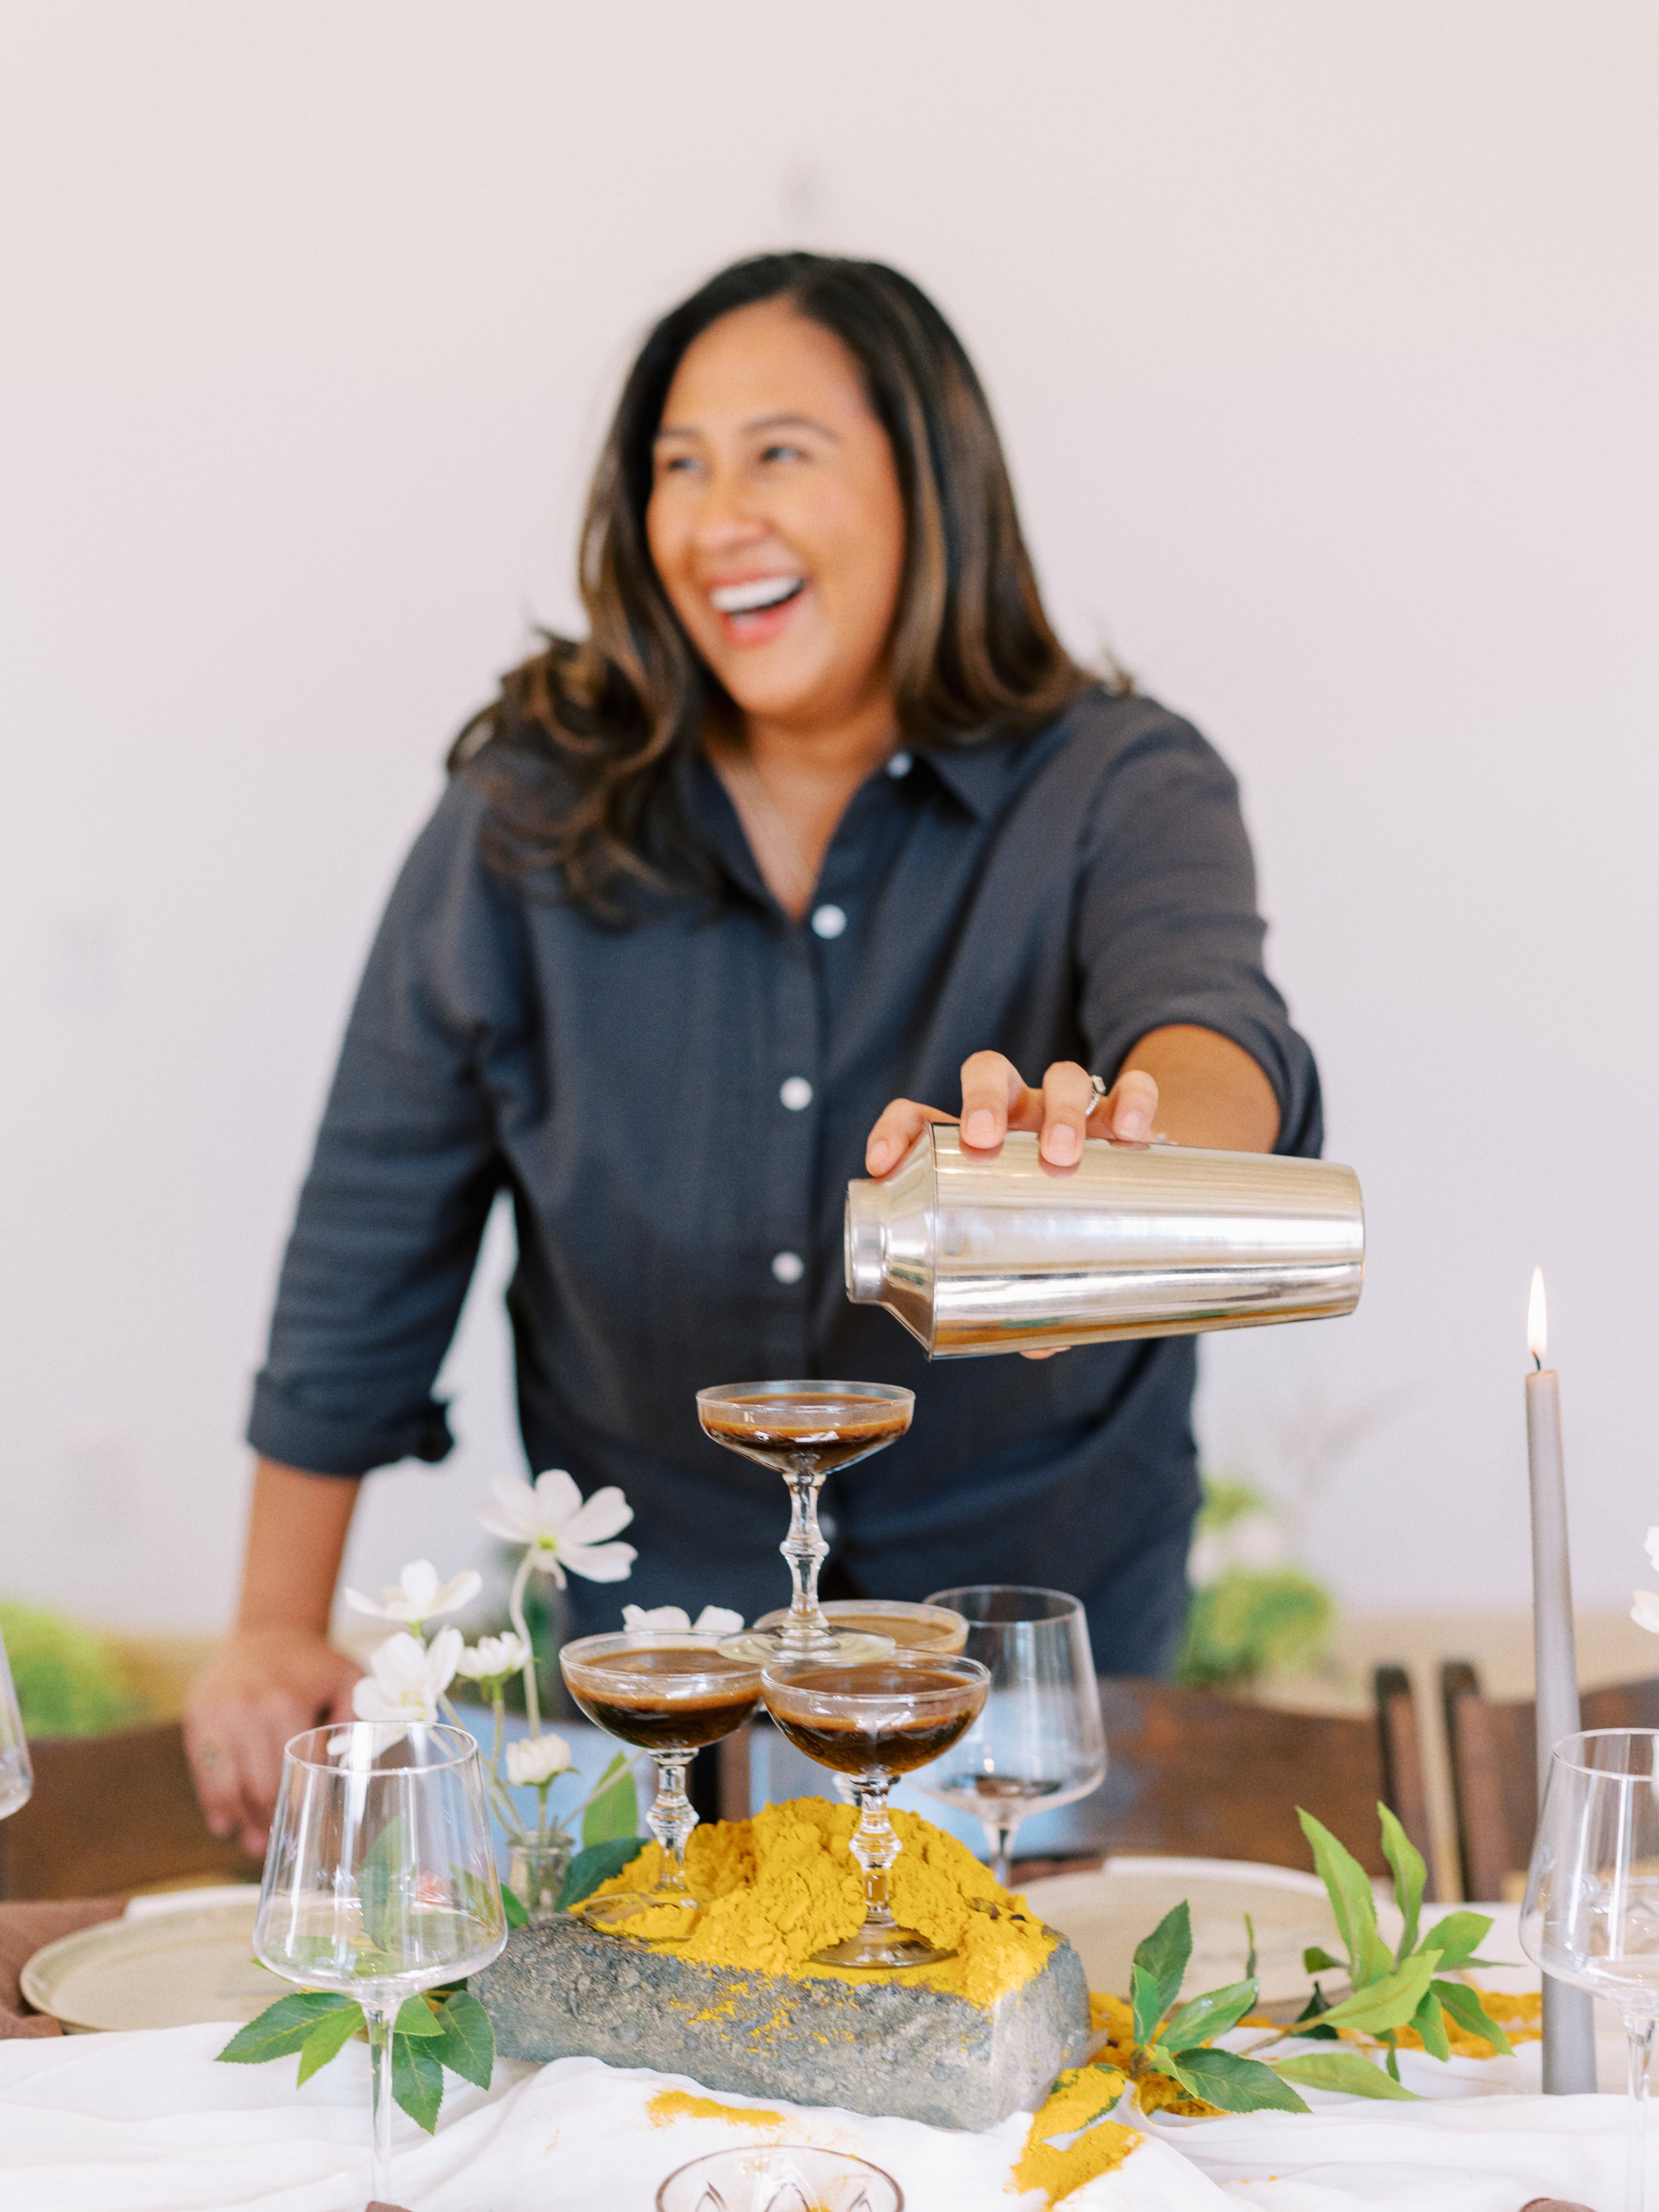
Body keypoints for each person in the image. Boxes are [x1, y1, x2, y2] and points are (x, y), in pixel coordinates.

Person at [185, 252, 1319, 1853]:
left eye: (780, 451)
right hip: (662, 1691)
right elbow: (369, 1229)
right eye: (676, 464)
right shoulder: (522, 813)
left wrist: (1131, 1149)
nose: (718, 517)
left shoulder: (1119, 784)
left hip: (1021, 1693)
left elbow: (1215, 1032)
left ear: (929, 483)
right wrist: (267, 1624)